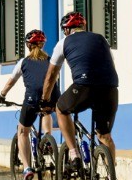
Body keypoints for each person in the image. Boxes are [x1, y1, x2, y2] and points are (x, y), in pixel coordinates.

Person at [43, 11, 118, 165]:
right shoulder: (101, 39)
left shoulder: (63, 43)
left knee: (61, 109)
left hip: (84, 87)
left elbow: (51, 76)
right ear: (83, 26)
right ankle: (112, 178)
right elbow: (111, 63)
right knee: (104, 135)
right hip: (110, 88)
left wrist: (45, 99)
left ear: (66, 30)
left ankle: (74, 153)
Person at [0, 28, 54, 180]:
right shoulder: (50, 60)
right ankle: (48, 139)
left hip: (31, 100)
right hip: (51, 97)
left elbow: (11, 81)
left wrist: (1, 95)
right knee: (47, 111)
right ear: (42, 45)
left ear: (28, 45)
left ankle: (27, 169)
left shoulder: (23, 62)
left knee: (23, 132)